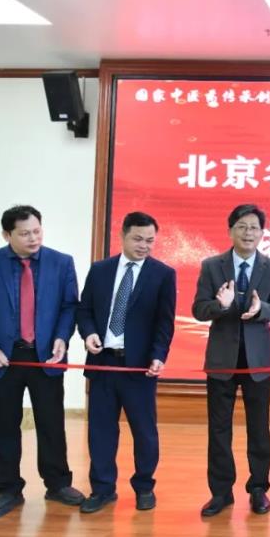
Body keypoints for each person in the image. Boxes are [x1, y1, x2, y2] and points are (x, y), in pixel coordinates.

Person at [0, 205, 84, 518]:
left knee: (51, 423)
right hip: (2, 359)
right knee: (4, 425)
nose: (33, 238)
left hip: (46, 357)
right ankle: (8, 490)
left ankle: (58, 484)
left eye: (37, 231)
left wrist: (62, 337)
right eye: (25, 233)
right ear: (7, 235)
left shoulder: (61, 262)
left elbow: (70, 306)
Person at [76, 211, 176, 513]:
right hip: (103, 363)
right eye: (138, 239)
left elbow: (164, 322)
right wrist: (89, 334)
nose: (144, 245)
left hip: (139, 368)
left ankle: (144, 486)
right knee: (101, 432)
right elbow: (84, 310)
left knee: (144, 432)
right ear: (122, 236)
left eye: (150, 240)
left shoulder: (162, 274)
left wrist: (158, 355)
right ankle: (102, 489)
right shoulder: (100, 270)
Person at [192, 204, 270, 517]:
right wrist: (220, 306)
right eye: (242, 227)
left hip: (257, 362)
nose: (249, 233)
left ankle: (258, 488)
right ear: (230, 230)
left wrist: (261, 310)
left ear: (262, 233)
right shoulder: (212, 266)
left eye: (254, 228)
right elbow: (198, 309)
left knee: (258, 428)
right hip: (222, 360)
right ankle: (221, 492)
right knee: (219, 429)